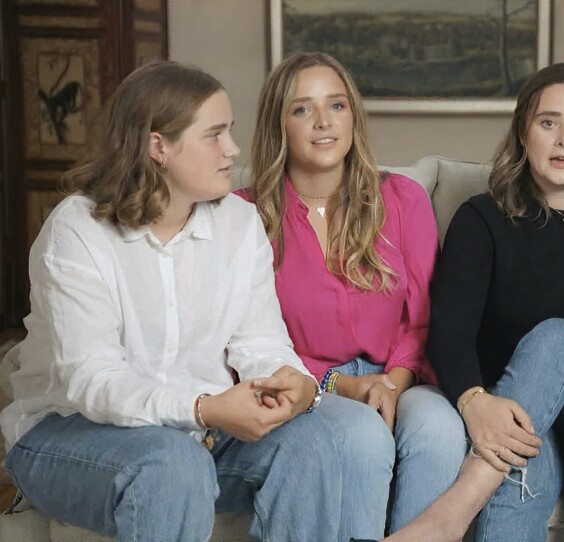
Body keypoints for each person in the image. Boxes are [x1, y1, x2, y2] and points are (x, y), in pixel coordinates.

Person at [0, 61, 389, 542]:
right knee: (172, 461)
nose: (233, 150)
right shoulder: (78, 231)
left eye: (230, 132)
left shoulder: (239, 223)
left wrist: (297, 384)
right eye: (215, 135)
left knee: (311, 441)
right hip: (68, 436)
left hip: (196, 437)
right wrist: (205, 408)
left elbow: (260, 342)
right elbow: (92, 381)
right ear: (157, 146)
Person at [387, 62, 564, 542]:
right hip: (524, 416)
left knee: (556, 337)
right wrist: (474, 401)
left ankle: (453, 511)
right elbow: (449, 332)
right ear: (524, 132)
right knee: (525, 457)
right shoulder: (482, 219)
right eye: (548, 122)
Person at [237, 51, 466, 533]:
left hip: (400, 376)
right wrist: (341, 385)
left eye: (336, 106)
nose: (324, 122)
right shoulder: (245, 216)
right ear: (278, 124)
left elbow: (423, 317)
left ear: (354, 116)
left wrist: (391, 383)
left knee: (441, 430)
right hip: (306, 386)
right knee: (363, 438)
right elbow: (246, 336)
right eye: (302, 109)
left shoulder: (403, 198)